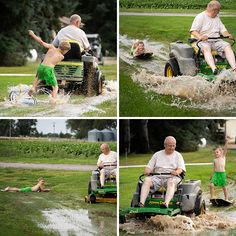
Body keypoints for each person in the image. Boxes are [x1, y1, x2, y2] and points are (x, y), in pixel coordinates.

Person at [190, 1, 236, 75]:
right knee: (206, 47)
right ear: (214, 10)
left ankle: (234, 69)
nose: (218, 13)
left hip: (216, 40)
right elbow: (193, 31)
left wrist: (227, 35)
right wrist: (200, 37)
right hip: (202, 41)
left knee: (227, 45)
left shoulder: (217, 18)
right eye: (218, 11)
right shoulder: (200, 17)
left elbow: (223, 30)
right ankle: (214, 69)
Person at [139, 136, 186, 208]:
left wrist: (176, 172)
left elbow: (181, 169)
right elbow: (148, 167)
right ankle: (141, 203)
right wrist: (147, 171)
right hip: (157, 177)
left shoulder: (178, 155)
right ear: (165, 145)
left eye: (173, 146)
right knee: (146, 180)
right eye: (170, 146)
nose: (172, 148)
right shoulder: (157, 155)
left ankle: (165, 203)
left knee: (171, 181)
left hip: (172, 177)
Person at [28, 30, 71, 102]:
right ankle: (53, 100)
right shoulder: (61, 57)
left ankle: (32, 88)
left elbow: (41, 42)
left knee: (37, 79)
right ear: (65, 50)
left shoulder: (51, 47)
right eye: (67, 51)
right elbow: (59, 53)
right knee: (55, 87)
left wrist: (33, 34)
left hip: (41, 66)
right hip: (49, 69)